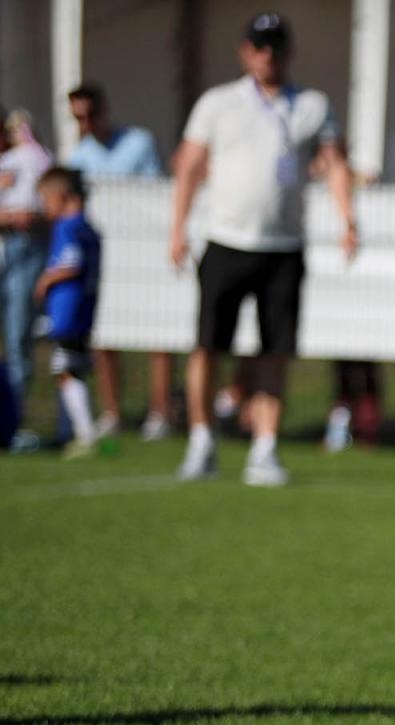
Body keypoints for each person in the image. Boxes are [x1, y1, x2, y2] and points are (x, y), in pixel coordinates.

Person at [168, 12, 358, 486]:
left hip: (283, 246)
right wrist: (178, 227)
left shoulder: (312, 105)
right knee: (208, 347)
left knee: (275, 351)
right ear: (245, 51)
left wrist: (348, 219)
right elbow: (190, 165)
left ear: (288, 52)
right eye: (259, 46)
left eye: (275, 46)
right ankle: (201, 440)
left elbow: (335, 164)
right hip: (227, 240)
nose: (266, 55)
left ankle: (265, 448)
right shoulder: (218, 103)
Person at [64, 83, 173, 443]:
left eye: (90, 115)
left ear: (104, 110)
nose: (86, 124)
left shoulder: (138, 143)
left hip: (143, 253)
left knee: (158, 336)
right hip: (104, 259)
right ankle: (112, 413)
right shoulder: (78, 157)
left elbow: (153, 194)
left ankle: (160, 413)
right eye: (78, 118)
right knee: (104, 335)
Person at [32, 167, 101, 458]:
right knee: (72, 368)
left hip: (67, 309)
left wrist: (46, 279)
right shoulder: (89, 227)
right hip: (84, 308)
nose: (45, 209)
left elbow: (71, 263)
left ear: (62, 197)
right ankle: (69, 432)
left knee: (65, 369)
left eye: (47, 201)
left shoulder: (68, 227)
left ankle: (85, 434)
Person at [0, 108, 53, 450]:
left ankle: (11, 422)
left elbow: (46, 203)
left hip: (24, 250)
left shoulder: (30, 159)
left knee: (18, 336)